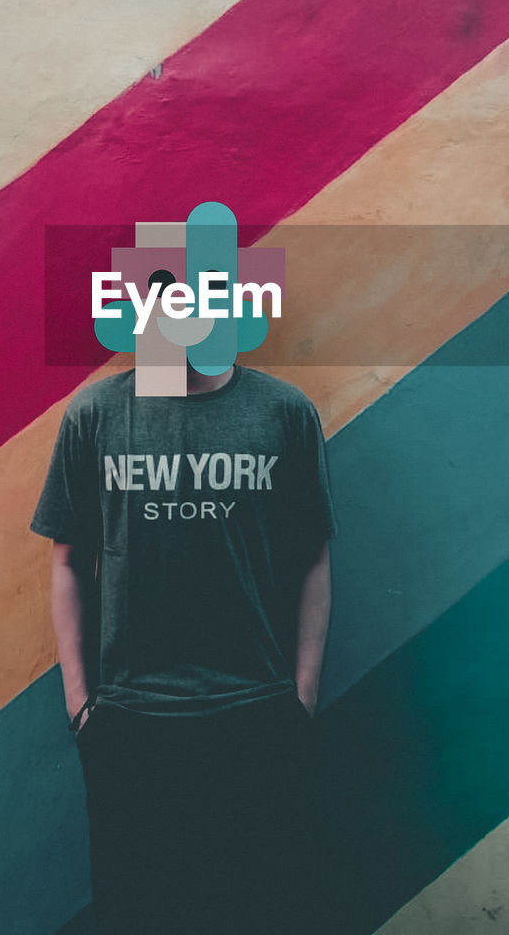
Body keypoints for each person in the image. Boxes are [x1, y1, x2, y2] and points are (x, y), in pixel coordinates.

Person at [30, 356, 336, 935]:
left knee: (263, 911)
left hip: (257, 716)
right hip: (131, 725)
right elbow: (68, 561)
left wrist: (301, 697)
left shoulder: (284, 412)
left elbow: (312, 558)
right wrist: (82, 708)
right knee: (140, 914)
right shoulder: (95, 414)